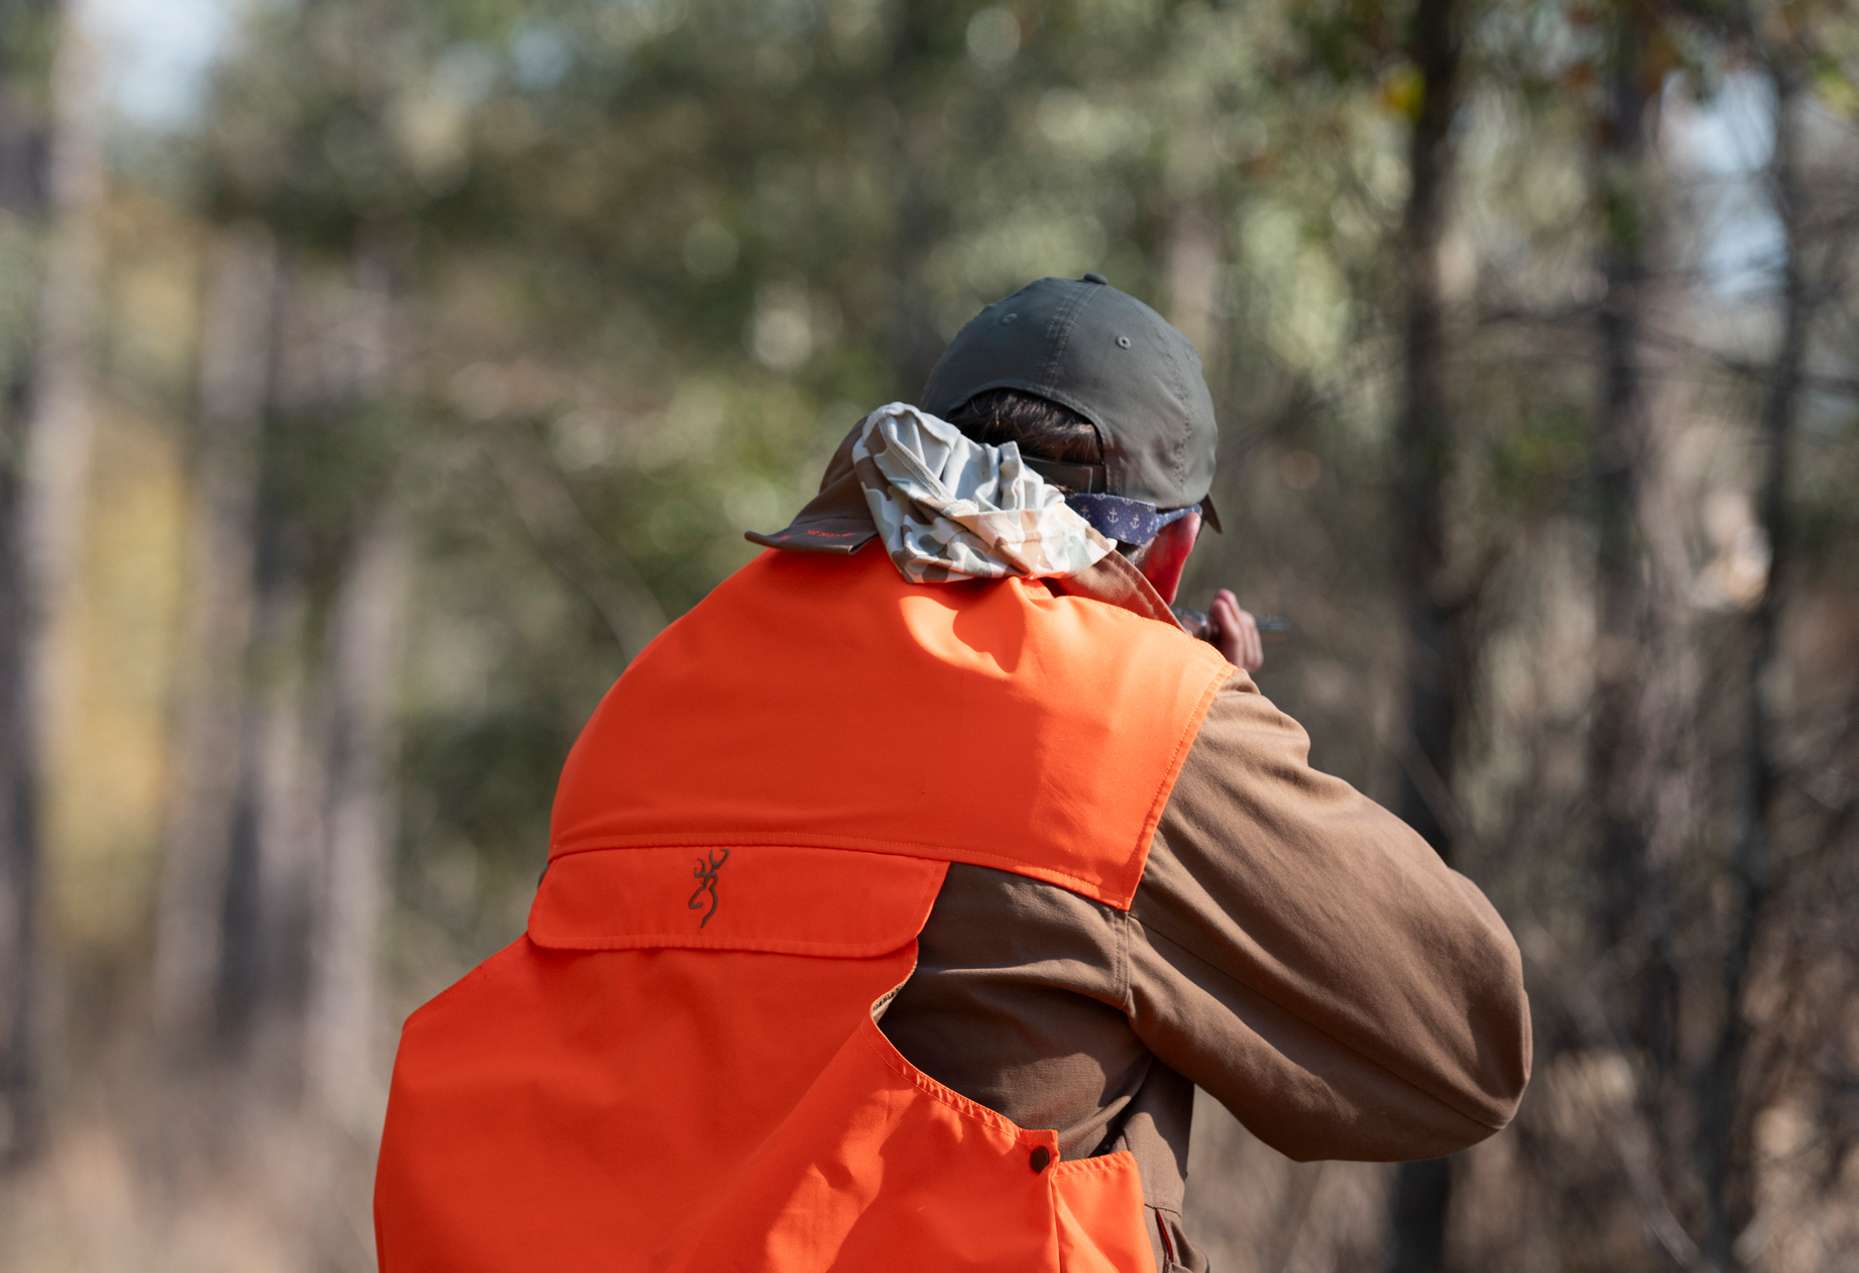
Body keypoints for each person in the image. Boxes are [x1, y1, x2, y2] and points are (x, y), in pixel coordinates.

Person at [373, 274, 1531, 1273]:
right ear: (1171, 551)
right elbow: (1463, 1050)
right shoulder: (1134, 716)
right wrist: (1225, 734)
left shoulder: (657, 684)